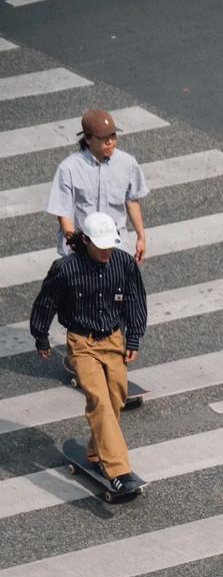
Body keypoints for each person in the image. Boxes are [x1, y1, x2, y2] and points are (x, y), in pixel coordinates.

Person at [30, 211, 148, 496]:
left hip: (113, 340)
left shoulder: (122, 263)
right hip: (82, 344)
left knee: (116, 399)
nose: (107, 251)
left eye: (110, 245)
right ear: (85, 240)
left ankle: (96, 453)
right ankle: (119, 469)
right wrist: (41, 337)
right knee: (99, 401)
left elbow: (135, 300)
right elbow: (46, 302)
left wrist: (133, 339)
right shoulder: (65, 269)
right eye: (101, 246)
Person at [46, 109, 149, 262]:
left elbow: (132, 202)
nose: (110, 142)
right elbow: (64, 213)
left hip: (116, 248)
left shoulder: (128, 163)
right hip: (83, 250)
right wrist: (75, 244)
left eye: (112, 136)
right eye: (103, 138)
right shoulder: (69, 169)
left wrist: (141, 237)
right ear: (88, 139)